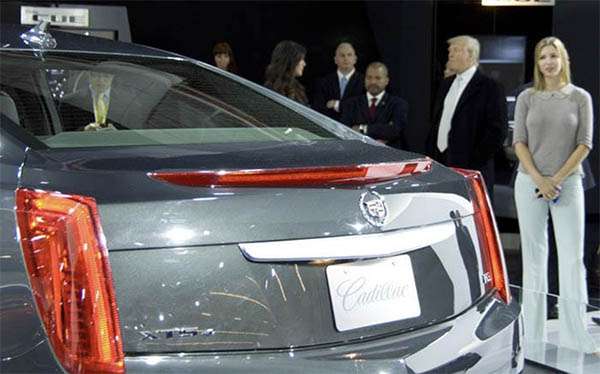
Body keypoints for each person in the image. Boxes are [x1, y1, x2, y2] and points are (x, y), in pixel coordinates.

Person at [513, 36, 597, 354]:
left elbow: (585, 143)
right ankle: (532, 335)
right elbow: (519, 141)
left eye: (553, 55)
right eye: (542, 57)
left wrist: (556, 179)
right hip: (529, 182)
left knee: (572, 259)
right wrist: (539, 179)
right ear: (538, 63)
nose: (548, 62)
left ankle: (577, 335)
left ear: (564, 59)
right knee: (534, 259)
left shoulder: (580, 97)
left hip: (569, 184)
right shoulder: (527, 98)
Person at [426, 35, 507, 198]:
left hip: (471, 170)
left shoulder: (490, 87)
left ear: (471, 55)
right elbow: (437, 123)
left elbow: (498, 131)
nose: (450, 54)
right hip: (441, 165)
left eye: (456, 50)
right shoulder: (445, 84)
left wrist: (473, 162)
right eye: (450, 50)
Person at [340, 62, 408, 149]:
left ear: (386, 81)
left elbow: (394, 130)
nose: (373, 82)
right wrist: (382, 130)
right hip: (357, 154)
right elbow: (345, 132)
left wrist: (363, 128)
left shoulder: (398, 104)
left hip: (390, 156)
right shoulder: (351, 104)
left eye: (378, 78)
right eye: (369, 77)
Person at [312, 42, 364, 122]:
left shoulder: (365, 81)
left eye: (349, 55)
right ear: (335, 60)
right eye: (342, 55)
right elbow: (318, 109)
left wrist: (336, 104)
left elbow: (363, 107)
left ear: (355, 59)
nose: (346, 58)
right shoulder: (324, 82)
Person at [264, 40, 308, 105]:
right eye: (302, 59)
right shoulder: (271, 90)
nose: (304, 64)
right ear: (291, 60)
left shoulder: (297, 88)